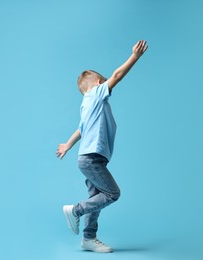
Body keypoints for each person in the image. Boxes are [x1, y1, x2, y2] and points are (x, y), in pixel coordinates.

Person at [56, 40, 148, 253]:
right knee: (112, 194)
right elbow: (116, 76)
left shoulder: (86, 106)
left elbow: (80, 130)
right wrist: (134, 57)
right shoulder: (97, 95)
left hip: (88, 159)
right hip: (92, 159)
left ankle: (88, 238)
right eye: (104, 84)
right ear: (98, 83)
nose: (108, 89)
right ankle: (75, 211)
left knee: (96, 198)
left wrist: (68, 145)